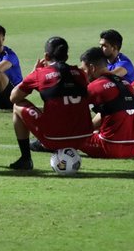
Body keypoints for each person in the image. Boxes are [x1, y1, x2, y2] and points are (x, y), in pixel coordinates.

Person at [8, 36, 93, 171]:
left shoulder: (40, 74)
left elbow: (13, 97)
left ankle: (25, 159)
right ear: (66, 56)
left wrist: (33, 72)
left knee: (18, 105)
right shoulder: (81, 74)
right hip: (84, 138)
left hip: (54, 138)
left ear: (46, 56)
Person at [78, 47, 134, 159]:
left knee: (69, 134)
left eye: (84, 70)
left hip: (109, 147)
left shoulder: (95, 86)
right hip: (133, 149)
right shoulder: (125, 83)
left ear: (92, 68)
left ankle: (46, 144)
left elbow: (71, 109)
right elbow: (113, 110)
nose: (83, 74)